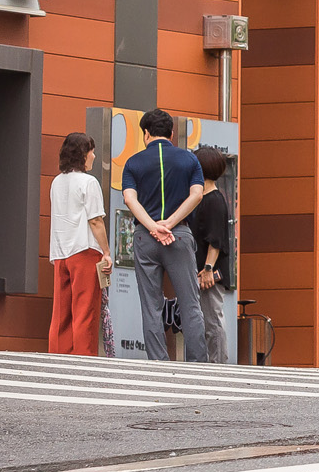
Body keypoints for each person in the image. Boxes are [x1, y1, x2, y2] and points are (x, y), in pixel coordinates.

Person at [120, 108, 207, 362]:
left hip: (145, 238)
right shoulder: (189, 160)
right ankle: (198, 364)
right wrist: (169, 223)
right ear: (171, 133)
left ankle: (158, 362)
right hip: (178, 235)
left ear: (145, 134)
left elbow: (129, 198)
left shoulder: (133, 162)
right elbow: (197, 194)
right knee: (190, 302)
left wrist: (152, 226)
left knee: (151, 304)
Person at [48, 131, 110, 355]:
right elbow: (95, 220)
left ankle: (58, 356)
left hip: (60, 253)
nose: (94, 156)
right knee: (85, 312)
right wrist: (106, 251)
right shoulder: (89, 182)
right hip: (84, 251)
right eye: (92, 151)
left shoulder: (56, 182)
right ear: (83, 154)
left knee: (61, 312)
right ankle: (84, 360)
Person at [189, 146, 234, 365]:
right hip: (201, 270)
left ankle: (218, 364)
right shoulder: (201, 198)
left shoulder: (214, 200)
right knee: (207, 319)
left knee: (213, 318)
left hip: (209, 271)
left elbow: (215, 240)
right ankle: (211, 361)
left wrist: (208, 269)